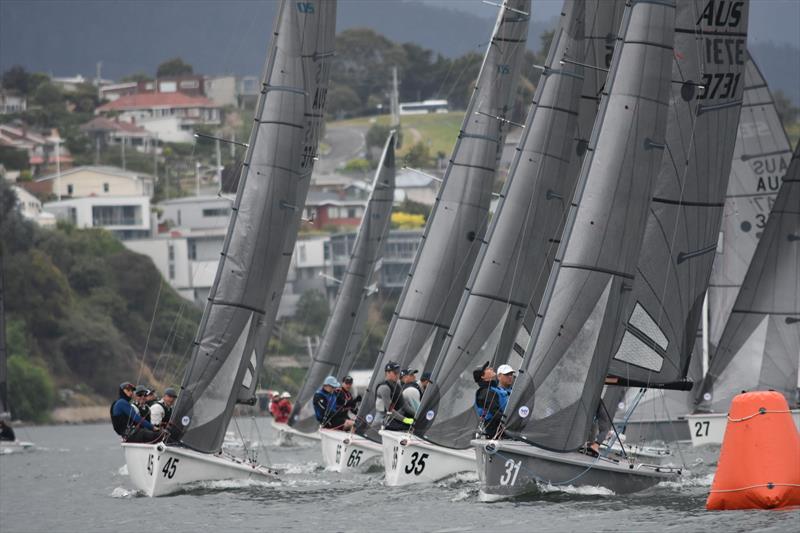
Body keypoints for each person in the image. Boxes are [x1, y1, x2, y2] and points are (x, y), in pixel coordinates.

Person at [473, 361, 513, 439]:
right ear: (483, 376)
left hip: (505, 432)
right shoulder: (485, 392)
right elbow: (496, 414)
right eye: (487, 369)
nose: (491, 368)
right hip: (499, 434)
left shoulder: (493, 390)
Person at [374, 361, 413, 431]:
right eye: (395, 373)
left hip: (391, 420)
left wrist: (417, 415)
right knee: (407, 426)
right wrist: (405, 420)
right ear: (387, 373)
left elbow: (404, 406)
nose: (397, 375)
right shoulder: (384, 388)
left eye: (398, 372)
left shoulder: (397, 386)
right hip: (380, 424)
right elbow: (390, 411)